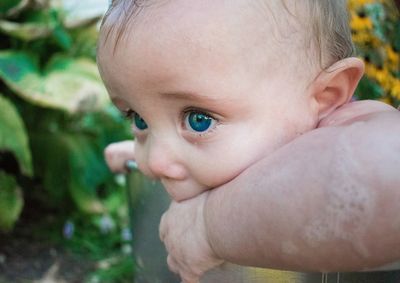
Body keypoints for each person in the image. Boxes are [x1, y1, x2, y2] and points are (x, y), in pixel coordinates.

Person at [97, 0, 400, 282]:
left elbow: (383, 176)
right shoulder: (256, 127)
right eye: (139, 118)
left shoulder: (349, 127)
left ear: (325, 98)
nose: (153, 162)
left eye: (198, 119)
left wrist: (207, 226)